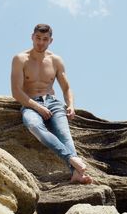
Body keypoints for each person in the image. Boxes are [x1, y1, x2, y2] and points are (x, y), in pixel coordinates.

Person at [10, 24, 92, 184]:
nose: (40, 42)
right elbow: (16, 92)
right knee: (33, 125)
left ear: (50, 40)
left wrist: (70, 105)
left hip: (53, 102)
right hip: (31, 103)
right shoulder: (20, 59)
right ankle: (72, 159)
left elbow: (66, 87)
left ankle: (77, 174)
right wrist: (38, 107)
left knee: (64, 134)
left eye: (45, 39)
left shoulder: (56, 60)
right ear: (32, 37)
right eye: (38, 38)